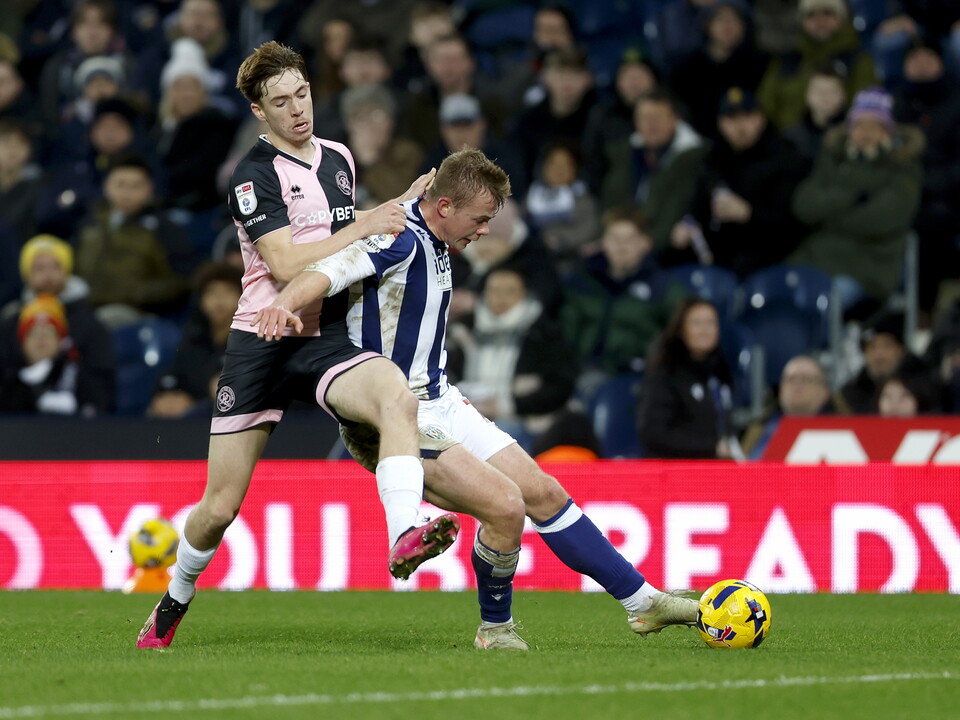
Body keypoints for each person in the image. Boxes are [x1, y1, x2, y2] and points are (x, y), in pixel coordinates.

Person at [252, 148, 699, 649]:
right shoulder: (394, 237)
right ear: (444, 207)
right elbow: (328, 272)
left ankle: (644, 603)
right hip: (392, 414)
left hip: (443, 401)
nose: (485, 230)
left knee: (545, 493)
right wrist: (282, 305)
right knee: (505, 507)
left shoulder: (437, 236)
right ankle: (496, 628)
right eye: (481, 218)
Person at [136, 41, 450, 650]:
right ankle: (173, 600)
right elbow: (282, 264)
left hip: (323, 338)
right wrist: (369, 220)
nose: (297, 110)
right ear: (260, 112)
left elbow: (345, 239)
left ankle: (404, 531)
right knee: (220, 507)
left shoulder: (338, 158)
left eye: (302, 93)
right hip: (261, 343)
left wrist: (401, 212)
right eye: (280, 102)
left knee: (395, 396)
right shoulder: (251, 176)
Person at [790, 87, 923, 314]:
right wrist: (852, 197)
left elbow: (881, 219)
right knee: (775, 293)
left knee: (824, 302)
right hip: (815, 257)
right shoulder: (834, 158)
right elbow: (803, 205)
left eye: (874, 126)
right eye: (859, 125)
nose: (865, 133)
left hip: (868, 266)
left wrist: (829, 216)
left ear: (888, 131)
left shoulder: (904, 167)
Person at [637, 297, 739, 459]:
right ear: (681, 330)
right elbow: (654, 434)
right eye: (697, 323)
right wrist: (711, 447)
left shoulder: (719, 372)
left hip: (714, 470)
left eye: (711, 323)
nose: (705, 330)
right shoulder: (665, 374)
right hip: (675, 472)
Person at [741, 354, 848, 459]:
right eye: (791, 379)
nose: (797, 385)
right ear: (780, 389)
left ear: (825, 391)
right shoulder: (759, 429)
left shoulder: (844, 430)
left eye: (806, 379)